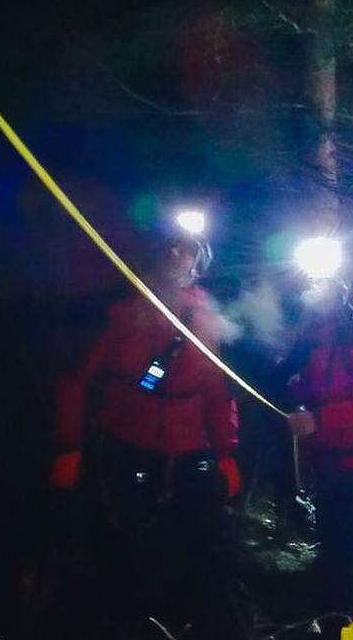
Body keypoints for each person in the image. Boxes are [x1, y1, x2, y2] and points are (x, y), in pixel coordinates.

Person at [49, 226, 245, 638]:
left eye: (186, 251)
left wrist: (226, 453)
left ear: (198, 265)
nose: (177, 255)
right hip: (125, 447)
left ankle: (183, 621)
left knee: (191, 546)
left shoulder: (206, 320)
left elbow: (217, 391)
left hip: (187, 454)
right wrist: (69, 447)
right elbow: (78, 381)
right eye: (171, 248)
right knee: (124, 545)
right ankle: (127, 621)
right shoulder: (123, 313)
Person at [285, 288, 353, 606]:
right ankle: (330, 612)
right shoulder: (317, 341)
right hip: (327, 462)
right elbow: (315, 385)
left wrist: (318, 419)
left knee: (351, 555)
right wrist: (297, 390)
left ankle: (352, 621)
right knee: (332, 545)